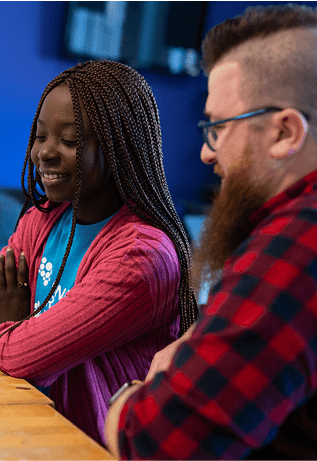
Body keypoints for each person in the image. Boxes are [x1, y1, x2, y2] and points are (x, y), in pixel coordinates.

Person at [0, 60, 198, 445]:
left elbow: (23, 355)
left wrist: (9, 325)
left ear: (121, 147)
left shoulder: (142, 257)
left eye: (69, 141)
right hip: (29, 417)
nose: (45, 153)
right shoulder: (47, 217)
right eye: (40, 136)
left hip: (91, 442)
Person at [105, 4, 317, 459]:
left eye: (216, 129)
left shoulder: (299, 245)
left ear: (284, 132)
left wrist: (127, 396)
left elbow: (153, 441)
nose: (206, 153)